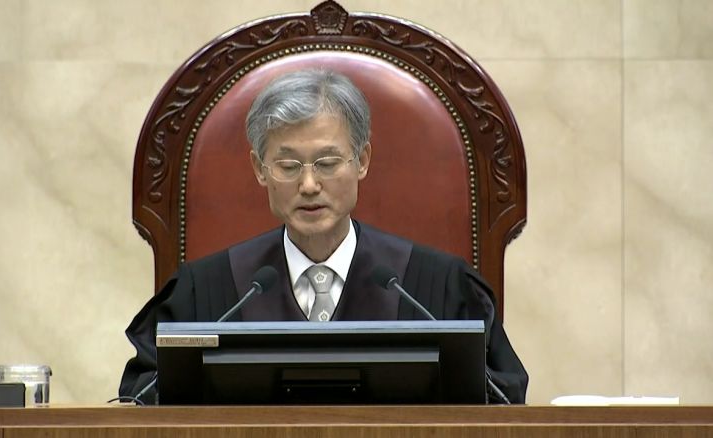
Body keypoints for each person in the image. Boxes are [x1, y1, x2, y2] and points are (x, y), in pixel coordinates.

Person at [119, 69, 528, 403]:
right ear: (260, 169)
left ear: (362, 161)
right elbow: (143, 402)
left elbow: (503, 403)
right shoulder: (208, 292)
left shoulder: (434, 288)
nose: (310, 185)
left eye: (328, 163)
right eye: (288, 166)